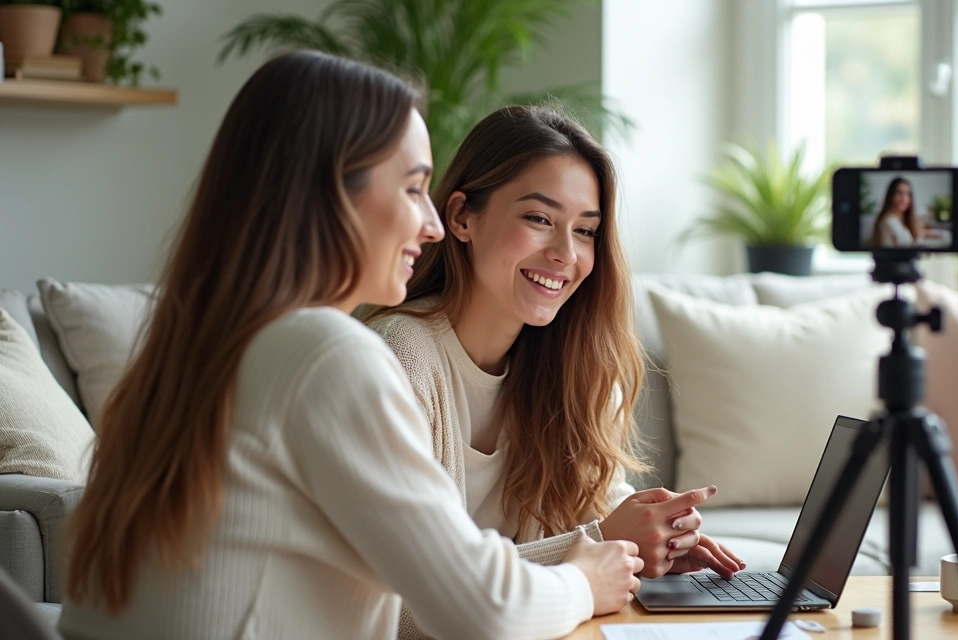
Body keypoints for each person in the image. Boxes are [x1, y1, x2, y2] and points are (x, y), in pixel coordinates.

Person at [57, 52, 642, 640]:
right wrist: (585, 579)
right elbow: (480, 607)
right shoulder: (325, 355)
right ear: (328, 193)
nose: (432, 224)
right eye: (412, 189)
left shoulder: (205, 348)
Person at [364, 105, 745, 637]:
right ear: (462, 217)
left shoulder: (575, 365)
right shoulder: (397, 360)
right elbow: (396, 609)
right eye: (539, 219)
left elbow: (598, 505)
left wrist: (653, 537)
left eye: (586, 230)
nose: (566, 253)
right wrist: (599, 546)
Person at [869, 177, 924, 248]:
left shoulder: (901, 219)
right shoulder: (887, 223)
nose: (904, 199)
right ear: (891, 196)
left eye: (908, 194)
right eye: (899, 193)